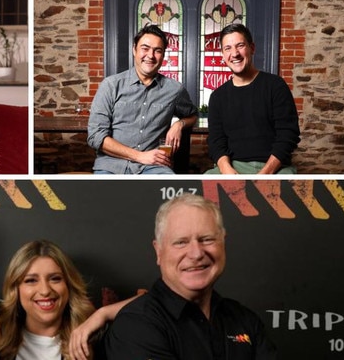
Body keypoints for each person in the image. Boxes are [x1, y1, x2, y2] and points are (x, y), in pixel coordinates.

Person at [105, 194, 277, 359]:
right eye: (181, 242)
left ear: (223, 243)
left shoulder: (245, 319)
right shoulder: (135, 325)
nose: (196, 254)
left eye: (207, 239)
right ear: (158, 251)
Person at [0, 240, 138, 360]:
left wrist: (103, 313)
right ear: (16, 289)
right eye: (31, 280)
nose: (45, 290)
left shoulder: (95, 339)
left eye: (55, 279)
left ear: (69, 285)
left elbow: (153, 301)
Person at [87, 24, 198, 174]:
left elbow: (192, 115)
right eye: (145, 48)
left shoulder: (175, 90)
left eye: (157, 51)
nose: (150, 56)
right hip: (111, 166)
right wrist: (140, 156)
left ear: (163, 55)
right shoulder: (111, 86)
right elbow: (96, 136)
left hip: (154, 167)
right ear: (134, 50)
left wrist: (179, 124)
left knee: (173, 190)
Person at [205, 23, 300, 174]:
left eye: (240, 45)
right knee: (203, 186)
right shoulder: (217, 97)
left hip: (274, 166)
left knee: (290, 191)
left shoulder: (275, 86)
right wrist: (226, 169)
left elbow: (288, 135)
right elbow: (216, 141)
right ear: (223, 55)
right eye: (227, 48)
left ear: (252, 48)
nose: (234, 53)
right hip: (234, 166)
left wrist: (265, 174)